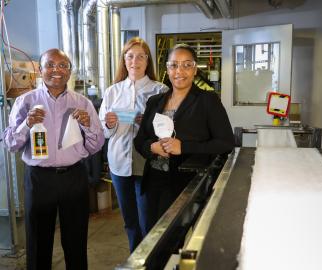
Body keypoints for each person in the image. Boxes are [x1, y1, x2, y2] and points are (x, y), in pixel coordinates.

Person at [2, 48, 105, 270]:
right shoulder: (25, 102)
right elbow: (11, 144)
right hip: (39, 179)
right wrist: (26, 124)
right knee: (39, 242)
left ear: (69, 72)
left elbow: (96, 146)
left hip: (74, 177)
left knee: (76, 240)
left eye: (62, 66)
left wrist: (87, 125)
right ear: (40, 70)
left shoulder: (83, 103)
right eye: (50, 65)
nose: (56, 70)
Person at [134, 44, 234, 228]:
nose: (179, 71)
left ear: (195, 69)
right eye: (174, 65)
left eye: (187, 65)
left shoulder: (207, 100)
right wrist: (151, 147)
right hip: (154, 182)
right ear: (167, 69)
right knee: (150, 236)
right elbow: (139, 140)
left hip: (187, 185)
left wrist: (184, 147)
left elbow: (226, 143)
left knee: (174, 241)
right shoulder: (155, 101)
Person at [98, 37, 168, 252]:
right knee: (129, 221)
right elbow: (104, 131)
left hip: (148, 162)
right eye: (130, 56)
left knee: (149, 220)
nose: (134, 61)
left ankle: (151, 262)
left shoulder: (161, 90)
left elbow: (168, 129)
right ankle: (134, 261)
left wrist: (147, 121)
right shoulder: (113, 91)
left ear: (148, 61)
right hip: (119, 161)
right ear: (124, 60)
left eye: (140, 56)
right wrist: (109, 123)